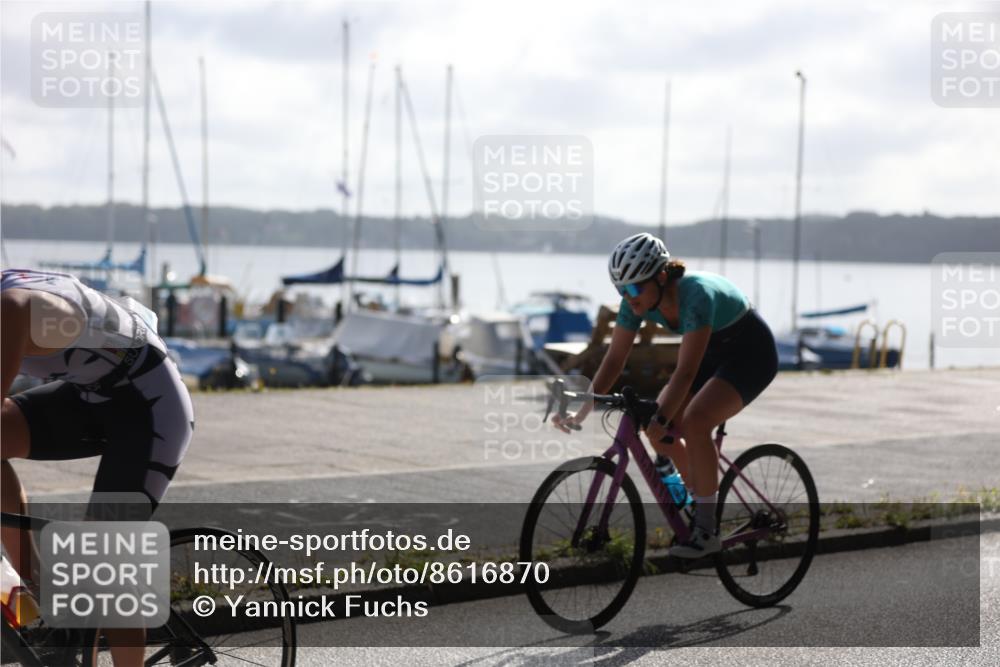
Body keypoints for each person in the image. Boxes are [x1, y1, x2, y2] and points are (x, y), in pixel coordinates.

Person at [1, 268, 194, 665]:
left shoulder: (10, 307)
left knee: (103, 558)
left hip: (150, 404)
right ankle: (43, 600)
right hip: (91, 396)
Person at [553, 233, 778, 557]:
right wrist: (583, 408)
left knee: (695, 422)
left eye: (633, 288)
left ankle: (706, 530)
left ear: (661, 276)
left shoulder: (695, 296)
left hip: (750, 354)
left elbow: (685, 373)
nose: (628, 297)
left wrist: (662, 415)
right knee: (654, 428)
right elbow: (614, 359)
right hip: (713, 353)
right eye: (620, 290)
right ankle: (696, 493)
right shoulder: (635, 303)